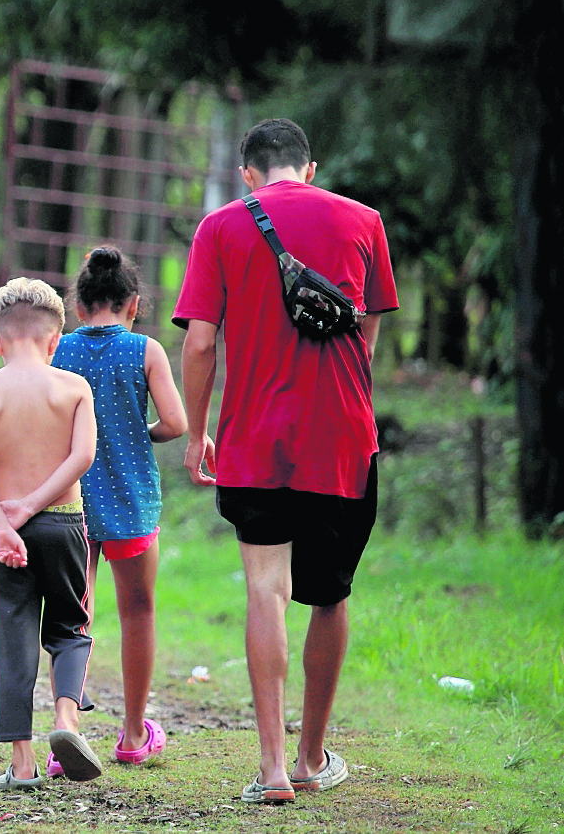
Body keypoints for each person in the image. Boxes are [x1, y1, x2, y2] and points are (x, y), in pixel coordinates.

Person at [172, 118, 399, 804]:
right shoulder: (363, 221)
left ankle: (271, 768)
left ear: (247, 173)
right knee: (329, 595)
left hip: (254, 438)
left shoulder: (220, 227)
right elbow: (366, 332)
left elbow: (200, 344)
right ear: (310, 167)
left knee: (265, 589)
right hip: (342, 439)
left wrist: (196, 432)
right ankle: (310, 757)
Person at [0, 277, 100, 792]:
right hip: (63, 523)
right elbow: (82, 457)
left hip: (7, 536)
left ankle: (22, 765)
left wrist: (3, 524)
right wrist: (35, 505)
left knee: (12, 639)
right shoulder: (73, 388)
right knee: (70, 626)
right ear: (55, 340)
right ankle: (66, 720)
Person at [50, 246, 186, 772]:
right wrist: (136, 430)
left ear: (78, 306)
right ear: (133, 304)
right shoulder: (145, 350)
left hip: (71, 502)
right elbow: (175, 424)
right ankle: (132, 734)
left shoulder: (59, 348)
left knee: (73, 615)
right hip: (130, 502)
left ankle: (67, 726)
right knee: (138, 613)